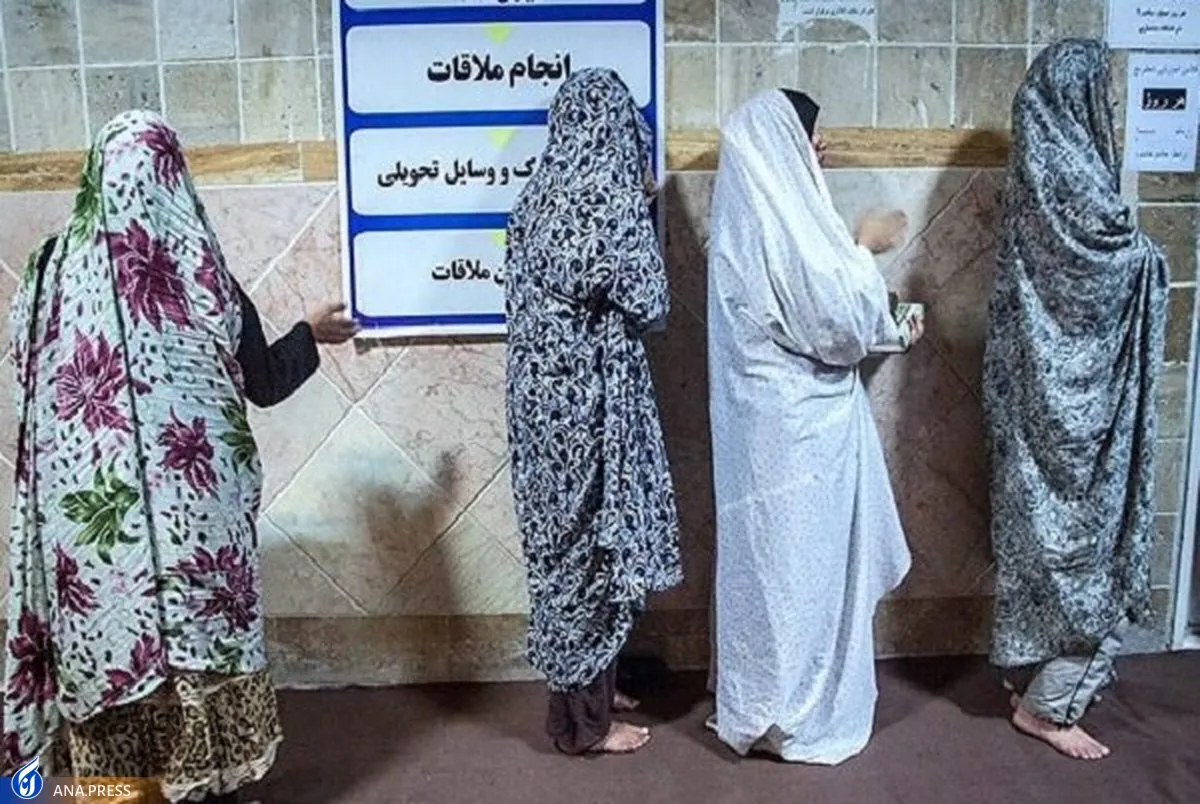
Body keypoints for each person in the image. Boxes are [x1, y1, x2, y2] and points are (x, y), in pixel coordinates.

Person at [2, 110, 357, 803]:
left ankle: (121, 793)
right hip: (196, 523)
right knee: (196, 649)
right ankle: (198, 783)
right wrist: (310, 333)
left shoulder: (45, 275)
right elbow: (263, 381)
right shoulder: (200, 276)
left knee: (108, 644)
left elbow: (27, 377)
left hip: (87, 524)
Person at [706, 88, 924, 765]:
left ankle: (759, 700)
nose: (820, 145)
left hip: (764, 434)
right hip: (799, 440)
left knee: (767, 568)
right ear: (781, 144)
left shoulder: (752, 215)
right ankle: (791, 715)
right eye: (809, 132)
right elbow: (835, 324)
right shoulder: (784, 224)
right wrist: (865, 246)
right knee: (799, 575)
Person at [983, 40, 1168, 761]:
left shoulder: (1033, 170)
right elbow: (1108, 260)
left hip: (1027, 402)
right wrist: (1147, 256)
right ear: (1082, 100)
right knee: (1095, 550)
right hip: (1086, 419)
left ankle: (1032, 675)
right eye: (1105, 93)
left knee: (1043, 539)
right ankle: (1050, 707)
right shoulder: (1083, 188)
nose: (1113, 107)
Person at [504, 69, 683, 756]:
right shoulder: (610, 203)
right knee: (594, 556)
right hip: (592, 414)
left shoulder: (533, 200)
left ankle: (592, 687)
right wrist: (642, 204)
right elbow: (652, 301)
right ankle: (584, 726)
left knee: (560, 553)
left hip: (537, 409)